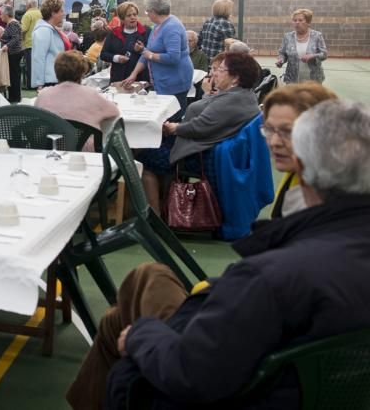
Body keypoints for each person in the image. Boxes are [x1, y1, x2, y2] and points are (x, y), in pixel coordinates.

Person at [68, 98, 370, 410]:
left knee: (126, 314)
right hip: (307, 383)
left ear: (303, 166)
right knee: (131, 299)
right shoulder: (330, 254)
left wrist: (140, 335)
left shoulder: (271, 277)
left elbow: (189, 374)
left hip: (233, 391)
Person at [138, 51, 261, 214]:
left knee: (143, 158)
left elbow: (200, 127)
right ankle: (165, 205)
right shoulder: (240, 95)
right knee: (153, 144)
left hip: (200, 154)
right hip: (205, 146)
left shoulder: (231, 100)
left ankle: (154, 216)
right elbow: (207, 121)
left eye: (220, 70)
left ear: (236, 78)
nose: (214, 73)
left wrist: (175, 128)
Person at [261, 82, 338, 219]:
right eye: (269, 129)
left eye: (288, 131)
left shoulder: (331, 202)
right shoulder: (298, 172)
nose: (274, 142)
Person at [121, 0, 194, 111]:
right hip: (161, 82)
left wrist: (150, 55)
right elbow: (147, 52)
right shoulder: (157, 26)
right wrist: (134, 74)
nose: (147, 14)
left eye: (147, 11)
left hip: (174, 83)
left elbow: (173, 57)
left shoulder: (172, 27)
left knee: (172, 118)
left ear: (153, 11)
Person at [36, 51, 120, 150]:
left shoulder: (43, 95)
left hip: (48, 149)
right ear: (83, 72)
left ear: (56, 71)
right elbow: (114, 112)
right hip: (83, 152)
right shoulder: (91, 95)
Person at [101, 1, 150, 84]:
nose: (133, 17)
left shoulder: (146, 32)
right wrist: (117, 58)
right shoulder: (113, 33)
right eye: (129, 15)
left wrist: (142, 50)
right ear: (122, 19)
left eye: (135, 14)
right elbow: (103, 54)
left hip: (140, 78)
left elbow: (153, 54)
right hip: (118, 78)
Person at [276, 8, 328, 84]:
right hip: (292, 79)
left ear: (308, 22)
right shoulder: (287, 36)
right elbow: (282, 53)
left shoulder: (317, 36)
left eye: (300, 20)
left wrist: (312, 56)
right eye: (295, 20)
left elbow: (324, 54)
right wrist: (281, 60)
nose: (297, 22)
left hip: (313, 80)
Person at [31, 0, 70, 89]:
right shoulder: (44, 30)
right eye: (61, 11)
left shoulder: (51, 29)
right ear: (53, 13)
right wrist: (39, 84)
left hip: (55, 79)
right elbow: (39, 58)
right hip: (49, 82)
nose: (63, 14)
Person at [0, 5, 24, 104]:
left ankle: (15, 98)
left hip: (14, 53)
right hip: (14, 52)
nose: (0, 16)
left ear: (6, 14)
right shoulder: (12, 23)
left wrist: (7, 46)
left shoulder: (12, 24)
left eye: (1, 14)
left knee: (14, 76)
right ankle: (14, 97)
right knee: (13, 76)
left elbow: (16, 38)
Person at [20, 0, 40, 88]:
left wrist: (21, 42)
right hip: (41, 43)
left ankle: (30, 85)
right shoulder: (41, 13)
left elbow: (23, 30)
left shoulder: (27, 15)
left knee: (30, 66)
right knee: (38, 65)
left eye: (26, 4)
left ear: (29, 5)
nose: (25, 5)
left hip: (29, 44)